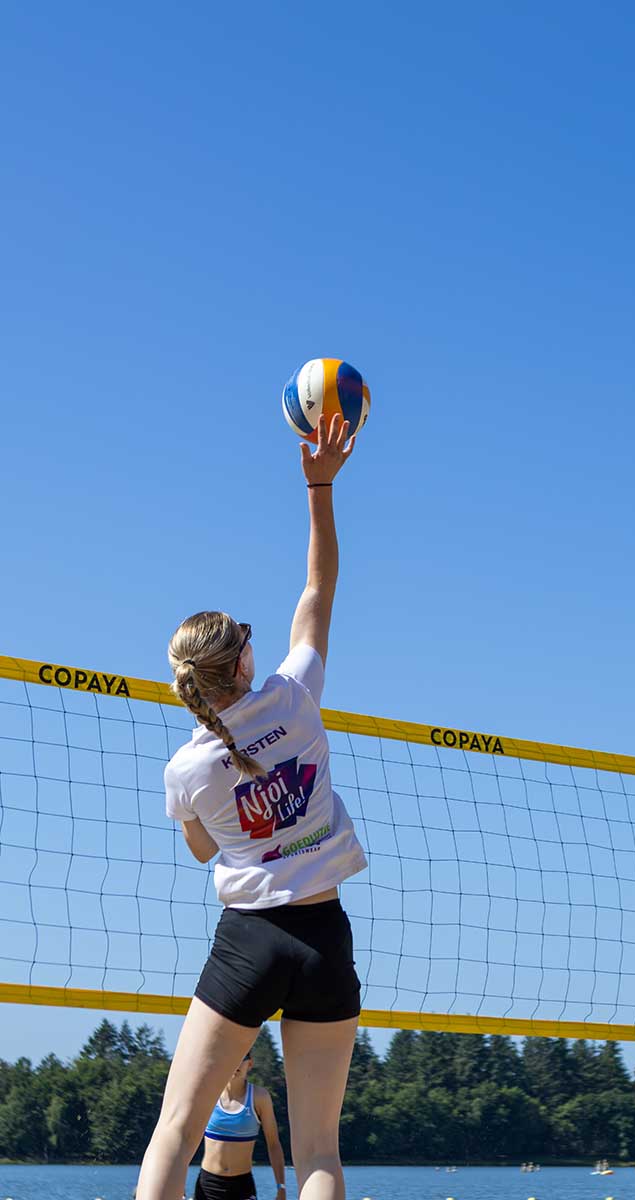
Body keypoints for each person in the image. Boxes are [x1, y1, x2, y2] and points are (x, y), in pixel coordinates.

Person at [136, 413, 366, 1200]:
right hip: (323, 934)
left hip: (252, 941)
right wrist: (320, 485)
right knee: (321, 1154)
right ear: (242, 657)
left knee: (176, 1128)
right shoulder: (295, 697)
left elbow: (204, 852)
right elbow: (317, 587)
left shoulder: (187, 768)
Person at [193, 1051, 285, 1200]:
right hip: (209, 1185)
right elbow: (185, 1139)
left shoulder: (260, 1097)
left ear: (250, 1064)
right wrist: (178, 1183)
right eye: (231, 1057)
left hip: (242, 1186)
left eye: (242, 1058)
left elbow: (274, 1144)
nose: (236, 1063)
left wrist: (281, 1187)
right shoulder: (208, 1094)